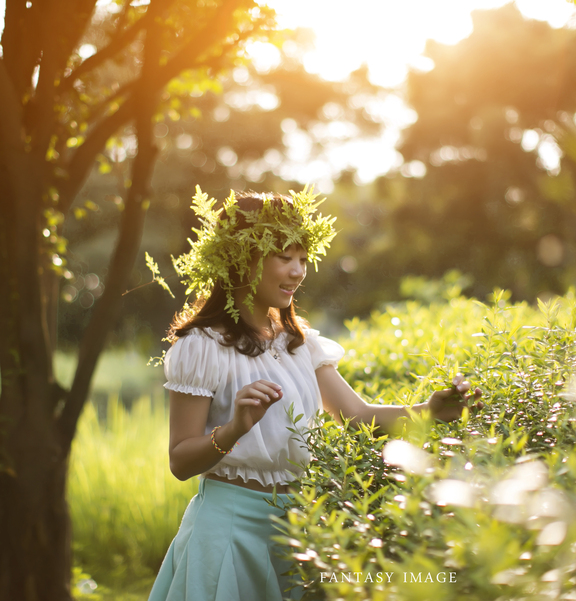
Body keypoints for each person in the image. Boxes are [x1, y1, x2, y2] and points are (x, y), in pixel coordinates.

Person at [147, 187, 483, 601]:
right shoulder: (202, 346)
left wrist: (428, 412)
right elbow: (180, 460)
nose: (298, 271)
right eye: (284, 257)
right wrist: (234, 429)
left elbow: (355, 416)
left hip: (299, 532)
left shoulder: (298, 342)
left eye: (303, 259)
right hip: (229, 535)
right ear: (240, 258)